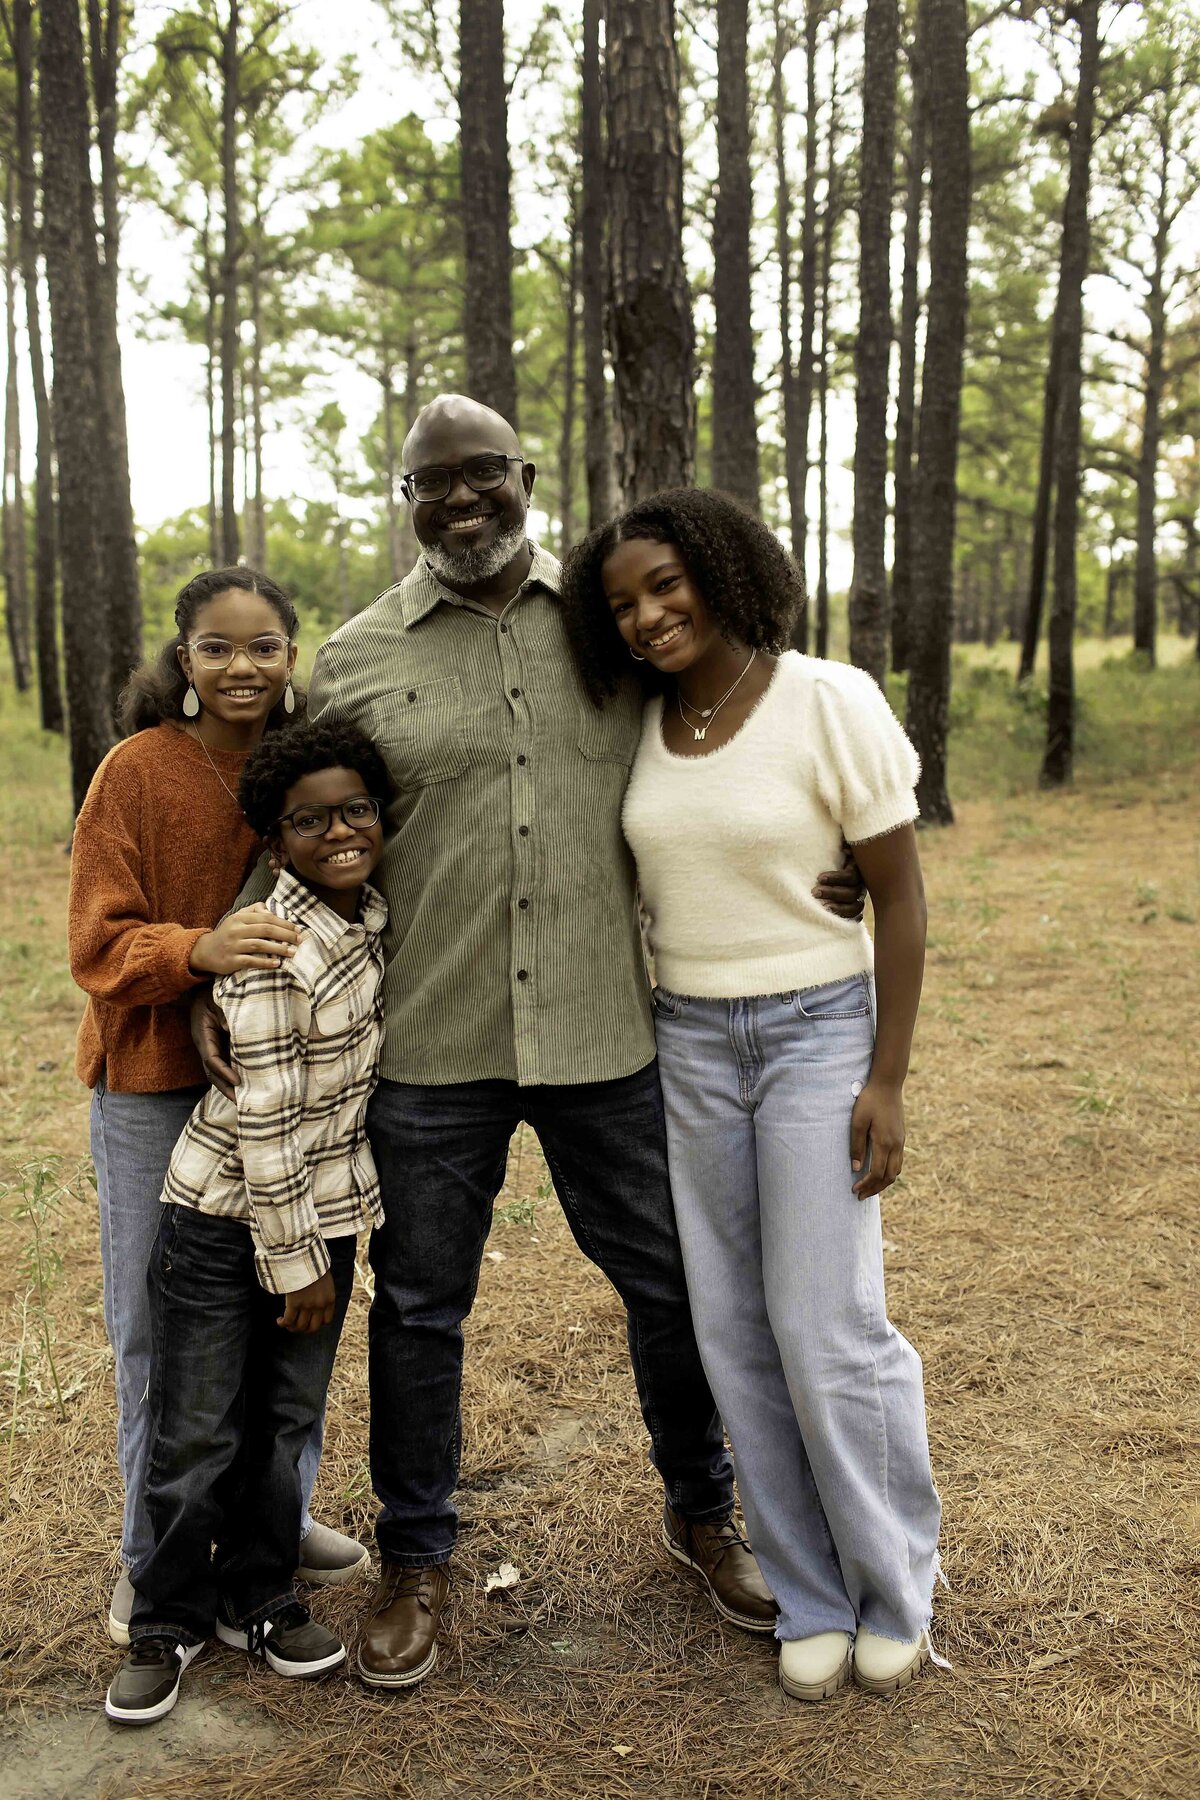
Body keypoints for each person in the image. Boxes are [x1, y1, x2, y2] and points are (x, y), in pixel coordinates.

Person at [194, 395, 864, 1690]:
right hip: (432, 1041)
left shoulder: (608, 630)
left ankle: (704, 1512)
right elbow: (293, 824)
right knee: (425, 1306)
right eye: (432, 482)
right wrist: (211, 962)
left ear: (526, 477)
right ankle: (419, 1562)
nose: (461, 498)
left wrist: (816, 853)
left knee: (670, 1285)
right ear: (406, 500)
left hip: (608, 1030)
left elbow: (723, 745)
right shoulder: (356, 655)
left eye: (483, 473)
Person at [559, 487, 942, 1703]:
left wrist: (886, 1074)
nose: (647, 616)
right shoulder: (638, 719)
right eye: (622, 604)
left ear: (722, 570)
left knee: (827, 1325)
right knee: (730, 1329)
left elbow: (901, 896)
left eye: (665, 584)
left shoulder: (831, 699)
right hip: (689, 1044)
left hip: (817, 1033)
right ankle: (810, 1592)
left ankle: (892, 1588)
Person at [68, 569, 367, 1649]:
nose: (243, 667)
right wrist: (194, 955)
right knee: (161, 1334)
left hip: (294, 1081)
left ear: (294, 655)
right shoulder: (138, 772)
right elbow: (96, 944)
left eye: (265, 646)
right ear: (183, 661)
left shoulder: (307, 768)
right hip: (156, 1081)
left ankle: (268, 1527)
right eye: (218, 648)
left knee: (283, 1321)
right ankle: (156, 1560)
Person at [104, 721, 391, 1725]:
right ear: (276, 842)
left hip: (326, 1216)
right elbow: (266, 1126)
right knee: (195, 1427)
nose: (341, 831)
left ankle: (260, 1598)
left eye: (357, 809)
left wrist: (325, 1247)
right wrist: (298, 1267)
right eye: (309, 821)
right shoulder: (274, 943)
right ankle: (165, 1618)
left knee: (283, 1422)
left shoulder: (371, 920)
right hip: (233, 1225)